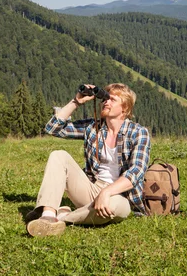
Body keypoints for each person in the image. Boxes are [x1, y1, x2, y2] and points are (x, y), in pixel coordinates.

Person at [26, 83, 151, 237]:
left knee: (110, 207)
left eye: (112, 99)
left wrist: (107, 192)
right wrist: (76, 101)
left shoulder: (138, 132)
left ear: (125, 108)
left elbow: (136, 171)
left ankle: (63, 217)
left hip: (120, 195)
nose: (105, 102)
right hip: (91, 189)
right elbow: (53, 128)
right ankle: (48, 216)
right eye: (104, 98)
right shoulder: (93, 127)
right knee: (59, 155)